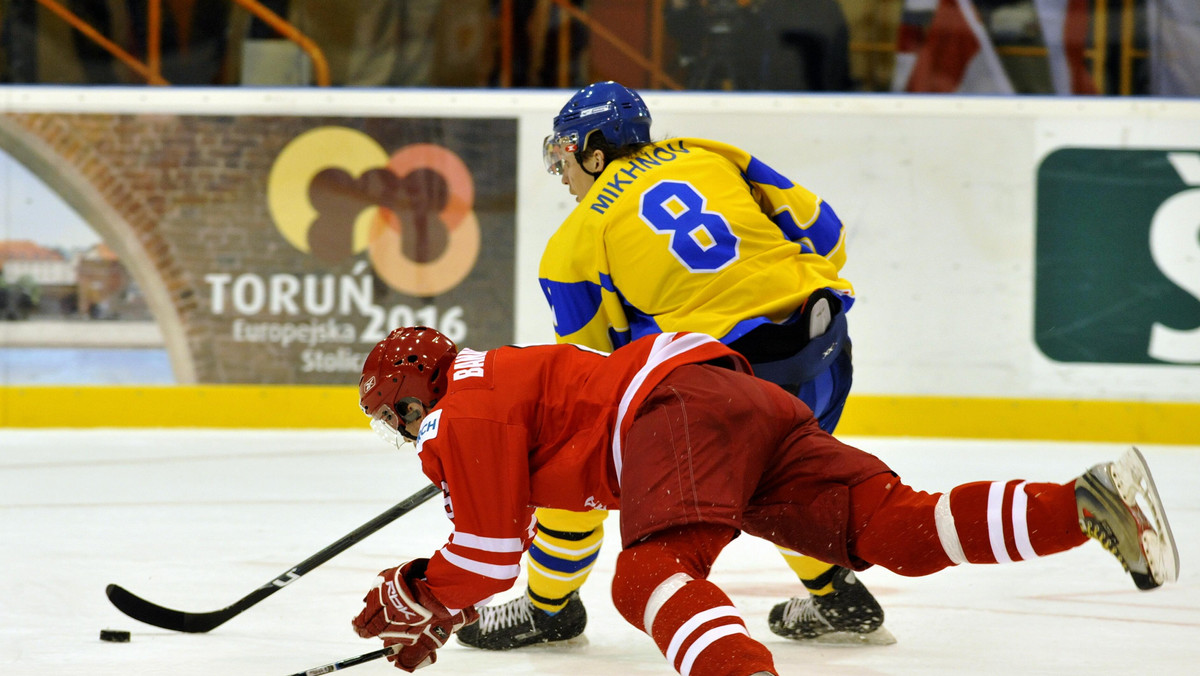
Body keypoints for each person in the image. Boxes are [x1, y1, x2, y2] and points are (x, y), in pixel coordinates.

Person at [350, 326, 1179, 675]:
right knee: (897, 530)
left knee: (645, 578)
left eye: (396, 415)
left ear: (412, 394)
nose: (404, 433)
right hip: (741, 402)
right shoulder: (497, 387)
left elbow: (490, 556)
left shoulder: (464, 406)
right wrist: (443, 593)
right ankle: (1084, 504)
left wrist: (419, 591)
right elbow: (503, 532)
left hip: (670, 410)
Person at [457, 79, 886, 651]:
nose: (561, 171)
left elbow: (596, 376)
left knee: (572, 446)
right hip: (825, 340)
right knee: (782, 471)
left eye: (565, 153)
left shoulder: (576, 242)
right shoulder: (709, 154)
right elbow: (826, 236)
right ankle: (835, 594)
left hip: (728, 386)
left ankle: (547, 608)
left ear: (594, 150)